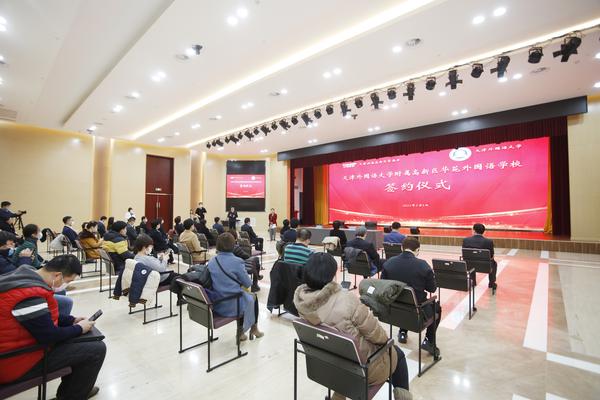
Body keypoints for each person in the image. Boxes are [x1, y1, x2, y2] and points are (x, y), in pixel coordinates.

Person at [294, 253, 412, 400]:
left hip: (326, 367)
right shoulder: (346, 300)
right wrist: (386, 342)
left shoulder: (301, 302)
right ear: (331, 275)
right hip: (360, 370)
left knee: (343, 353)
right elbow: (378, 336)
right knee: (397, 354)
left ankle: (338, 396)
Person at [0, 255, 106, 399]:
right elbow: (49, 336)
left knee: (85, 340)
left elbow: (42, 316)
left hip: (15, 347)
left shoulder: (25, 277)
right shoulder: (30, 295)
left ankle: (75, 390)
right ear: (57, 275)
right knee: (96, 349)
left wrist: (72, 320)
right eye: (68, 281)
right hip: (14, 361)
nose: (66, 285)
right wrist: (79, 328)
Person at [381, 237, 440, 354]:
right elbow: (432, 288)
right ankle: (429, 341)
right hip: (417, 311)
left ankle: (402, 332)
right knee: (437, 308)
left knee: (404, 298)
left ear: (401, 248)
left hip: (393, 308)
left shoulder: (389, 262)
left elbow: (383, 284)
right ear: (417, 250)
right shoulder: (423, 265)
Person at [208, 233, 263, 341]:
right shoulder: (237, 261)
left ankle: (244, 331)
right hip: (232, 305)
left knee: (243, 296)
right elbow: (248, 283)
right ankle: (252, 329)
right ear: (233, 245)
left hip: (217, 303)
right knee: (252, 297)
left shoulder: (212, 261)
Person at [463, 223, 498, 290]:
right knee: (494, 264)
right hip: (485, 266)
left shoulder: (466, 240)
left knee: (470, 260)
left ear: (474, 230)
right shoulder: (489, 242)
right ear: (484, 231)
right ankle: (491, 283)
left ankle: (473, 282)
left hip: (469, 265)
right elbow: (491, 256)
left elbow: (464, 255)